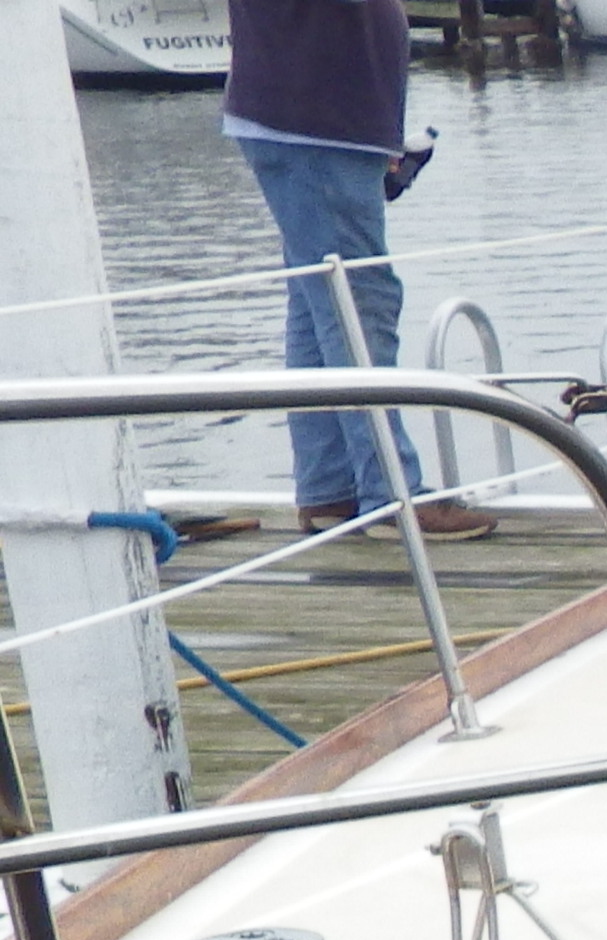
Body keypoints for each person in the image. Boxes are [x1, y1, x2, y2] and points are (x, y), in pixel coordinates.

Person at [222, 0, 493, 539]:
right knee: (357, 306)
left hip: (322, 121)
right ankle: (391, 495)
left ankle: (331, 487)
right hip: (314, 122)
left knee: (320, 304)